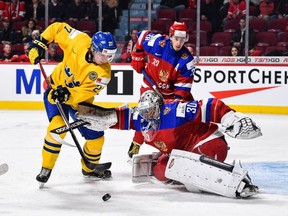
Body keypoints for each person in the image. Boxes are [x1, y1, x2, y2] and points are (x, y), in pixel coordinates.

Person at [75, 90, 262, 198]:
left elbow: (210, 105)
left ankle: (238, 183)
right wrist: (92, 116)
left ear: (158, 108)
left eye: (150, 112)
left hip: (210, 143)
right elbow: (118, 117)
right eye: (144, 112)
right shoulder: (141, 117)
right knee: (161, 171)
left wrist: (231, 117)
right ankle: (194, 174)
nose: (146, 116)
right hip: (186, 152)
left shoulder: (174, 110)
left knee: (178, 167)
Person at [26, 22, 117, 186]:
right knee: (56, 128)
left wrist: (66, 94)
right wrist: (40, 43)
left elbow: (82, 94)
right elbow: (57, 28)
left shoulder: (104, 73)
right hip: (54, 92)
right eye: (104, 55)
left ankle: (88, 169)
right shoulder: (80, 40)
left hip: (79, 103)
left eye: (110, 56)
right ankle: (46, 167)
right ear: (93, 49)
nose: (107, 60)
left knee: (97, 139)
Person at [128, 21, 195, 159]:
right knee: (146, 112)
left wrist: (174, 105)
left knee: (187, 115)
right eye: (176, 38)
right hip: (150, 86)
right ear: (170, 36)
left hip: (171, 94)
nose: (179, 43)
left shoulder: (186, 60)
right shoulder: (157, 42)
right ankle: (136, 143)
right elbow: (141, 37)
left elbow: (182, 89)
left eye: (183, 39)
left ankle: (190, 142)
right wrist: (137, 57)